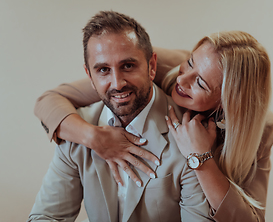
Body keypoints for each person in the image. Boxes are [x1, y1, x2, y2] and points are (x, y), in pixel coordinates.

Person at [34, 27, 273, 221]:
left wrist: (201, 158)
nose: (182, 79)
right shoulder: (148, 64)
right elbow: (50, 100)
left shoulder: (259, 129)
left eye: (201, 83)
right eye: (191, 63)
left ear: (226, 102)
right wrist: (94, 138)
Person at [28, 11, 212, 222]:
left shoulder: (190, 135)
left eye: (128, 66)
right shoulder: (76, 131)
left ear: (152, 66)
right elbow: (45, 217)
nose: (117, 83)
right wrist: (94, 137)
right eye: (103, 70)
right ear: (89, 75)